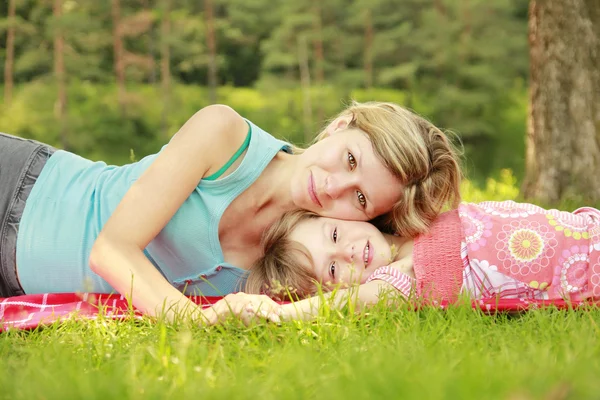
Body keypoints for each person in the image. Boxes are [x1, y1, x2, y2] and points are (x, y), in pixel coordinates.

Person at [0, 101, 462, 321]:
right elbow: (111, 251)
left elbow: (439, 256)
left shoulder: (311, 259)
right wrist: (195, 321)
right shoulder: (224, 137)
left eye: (360, 198)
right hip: (20, 189)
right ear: (341, 125)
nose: (333, 186)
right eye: (350, 159)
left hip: (16, 278)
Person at [202, 200, 600, 324]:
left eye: (335, 236)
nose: (348, 252)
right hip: (589, 273)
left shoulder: (414, 215)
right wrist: (283, 313)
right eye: (334, 270)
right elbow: (350, 303)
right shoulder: (400, 279)